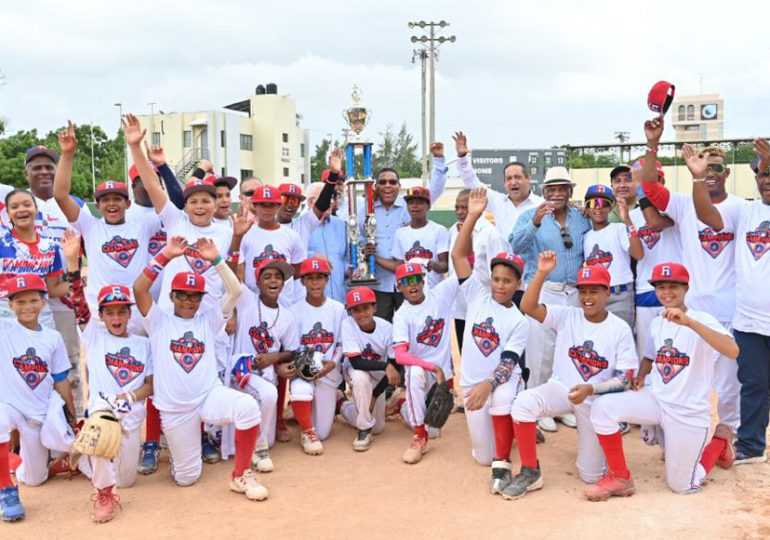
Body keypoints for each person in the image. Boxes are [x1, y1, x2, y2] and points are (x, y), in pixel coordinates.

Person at [586, 262, 739, 500]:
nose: (666, 292)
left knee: (682, 485)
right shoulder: (658, 322)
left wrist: (690, 322)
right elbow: (650, 356)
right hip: (656, 400)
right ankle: (619, 476)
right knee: (602, 407)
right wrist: (641, 376)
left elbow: (732, 350)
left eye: (672, 286)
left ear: (686, 288)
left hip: (688, 412)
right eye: (660, 287)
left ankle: (720, 438)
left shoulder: (702, 319)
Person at [133, 235, 268, 500]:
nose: (188, 300)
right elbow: (139, 289)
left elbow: (236, 291)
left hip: (208, 396)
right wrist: (166, 256)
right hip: (175, 409)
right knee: (187, 479)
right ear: (171, 296)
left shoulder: (208, 320)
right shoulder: (159, 321)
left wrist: (217, 259)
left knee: (248, 407)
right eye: (182, 295)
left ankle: (241, 474)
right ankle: (177, 451)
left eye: (194, 296)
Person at [639, 116, 742, 449]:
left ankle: (724, 437)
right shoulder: (684, 205)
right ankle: (675, 432)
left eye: (717, 168)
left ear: (727, 173)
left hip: (728, 310)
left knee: (729, 384)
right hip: (690, 309)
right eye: (705, 167)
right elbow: (651, 188)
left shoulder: (741, 208)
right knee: (681, 373)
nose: (711, 173)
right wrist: (654, 143)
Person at [503, 252, 637, 501]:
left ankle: (603, 452)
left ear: (607, 293)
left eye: (594, 291)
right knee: (523, 403)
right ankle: (531, 470)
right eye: (583, 291)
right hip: (560, 389)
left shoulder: (619, 328)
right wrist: (542, 272)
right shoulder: (568, 315)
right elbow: (528, 307)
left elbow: (626, 379)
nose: (587, 298)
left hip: (595, 403)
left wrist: (592, 389)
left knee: (591, 476)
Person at [683, 139, 770, 465]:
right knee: (753, 383)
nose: (766, 181)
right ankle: (750, 445)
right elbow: (707, 215)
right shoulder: (745, 210)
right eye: (762, 175)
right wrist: (696, 178)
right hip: (748, 318)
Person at [61, 231, 153, 523]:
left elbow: (151, 385)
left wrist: (130, 396)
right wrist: (73, 262)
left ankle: (84, 456)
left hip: (132, 413)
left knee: (126, 479)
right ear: (101, 315)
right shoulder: (95, 336)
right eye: (109, 312)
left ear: (129, 314)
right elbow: (77, 301)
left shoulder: (143, 344)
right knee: (100, 427)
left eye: (121, 312)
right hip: (103, 411)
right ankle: (103, 492)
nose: (115, 318)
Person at [451, 188, 529, 494]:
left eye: (507, 280)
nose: (500, 284)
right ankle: (505, 438)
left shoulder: (518, 320)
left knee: (502, 395)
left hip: (498, 382)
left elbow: (509, 362)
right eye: (497, 278)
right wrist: (472, 215)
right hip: (472, 385)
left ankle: (508, 447)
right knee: (481, 457)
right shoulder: (477, 296)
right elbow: (458, 255)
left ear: (517, 284)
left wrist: (489, 384)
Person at [124, 114, 233, 320]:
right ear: (186, 205)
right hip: (170, 315)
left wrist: (230, 311)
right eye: (193, 201)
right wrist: (135, 147)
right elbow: (151, 184)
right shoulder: (175, 221)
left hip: (209, 318)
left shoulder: (226, 231)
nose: (199, 206)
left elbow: (229, 278)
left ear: (215, 203)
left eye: (205, 201)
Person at [53, 121, 161, 319]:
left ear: (128, 204)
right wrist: (67, 155)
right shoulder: (90, 226)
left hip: (136, 309)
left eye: (117, 199)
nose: (111, 204)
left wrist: (135, 148)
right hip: (100, 309)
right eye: (105, 200)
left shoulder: (143, 225)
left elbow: (160, 194)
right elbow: (60, 195)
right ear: (98, 205)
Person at [511, 167, 592, 432]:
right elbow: (516, 247)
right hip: (545, 289)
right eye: (551, 189)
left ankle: (565, 406)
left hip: (575, 292)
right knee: (540, 354)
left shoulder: (581, 218)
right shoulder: (530, 215)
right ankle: (539, 407)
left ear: (570, 191)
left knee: (570, 351)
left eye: (562, 189)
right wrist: (535, 221)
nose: (556, 194)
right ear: (544, 192)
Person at [0, 145, 86, 391]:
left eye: (49, 167)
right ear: (26, 172)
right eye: (36, 167)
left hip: (55, 302)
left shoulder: (73, 203)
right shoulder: (16, 200)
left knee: (65, 366)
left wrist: (79, 283)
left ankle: (74, 419)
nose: (44, 172)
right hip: (11, 309)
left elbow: (86, 250)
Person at [0, 274, 76, 522]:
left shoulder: (51, 338)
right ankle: (7, 490)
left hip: (38, 413)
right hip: (9, 406)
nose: (27, 307)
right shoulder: (5, 329)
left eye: (33, 300)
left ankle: (21, 462)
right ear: (10, 305)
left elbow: (61, 379)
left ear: (43, 301)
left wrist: (72, 421)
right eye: (19, 302)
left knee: (34, 479)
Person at [363, 143, 447, 322]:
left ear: (399, 186)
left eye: (392, 182)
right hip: (379, 281)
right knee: (382, 330)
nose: (388, 186)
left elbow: (435, 190)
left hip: (411, 283)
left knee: (413, 328)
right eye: (382, 182)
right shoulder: (366, 208)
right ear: (375, 187)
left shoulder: (408, 206)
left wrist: (438, 160)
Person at [228, 258, 298, 472]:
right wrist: (237, 240)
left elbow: (292, 350)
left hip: (265, 372)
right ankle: (259, 448)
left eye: (278, 277)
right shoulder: (247, 300)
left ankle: (259, 441)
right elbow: (229, 277)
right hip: (239, 370)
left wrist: (273, 358)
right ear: (257, 282)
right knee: (268, 394)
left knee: (267, 395)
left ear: (284, 284)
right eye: (267, 276)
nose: (273, 281)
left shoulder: (287, 316)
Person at [392, 260, 456, 464]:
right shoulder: (402, 315)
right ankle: (420, 436)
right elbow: (400, 356)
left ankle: (403, 407)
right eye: (405, 281)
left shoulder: (440, 295)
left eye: (416, 279)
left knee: (436, 430)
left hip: (443, 378)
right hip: (425, 373)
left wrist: (470, 231)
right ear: (398, 287)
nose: (412, 285)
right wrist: (433, 367)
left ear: (423, 280)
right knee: (413, 372)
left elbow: (467, 268)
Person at [289, 257, 345, 454]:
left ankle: (337, 401)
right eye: (310, 278)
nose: (315, 283)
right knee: (300, 392)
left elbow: (341, 343)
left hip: (328, 373)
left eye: (320, 277)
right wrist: (300, 368)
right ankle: (305, 427)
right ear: (302, 281)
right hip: (303, 374)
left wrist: (332, 363)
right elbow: (291, 347)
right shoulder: (294, 311)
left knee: (323, 432)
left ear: (327, 280)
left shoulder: (338, 309)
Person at [447, 189, 509, 353]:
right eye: (457, 207)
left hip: (485, 308)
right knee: (465, 356)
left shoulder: (490, 234)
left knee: (486, 356)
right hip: (461, 309)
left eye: (464, 207)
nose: (459, 212)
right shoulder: (453, 230)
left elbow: (499, 274)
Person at [629, 165, 681, 360]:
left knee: (676, 347)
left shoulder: (676, 207)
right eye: (644, 180)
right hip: (645, 288)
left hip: (676, 288)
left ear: (663, 182)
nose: (650, 184)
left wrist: (642, 189)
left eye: (654, 179)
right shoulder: (633, 216)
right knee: (647, 350)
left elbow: (655, 222)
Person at [454, 131, 544, 239]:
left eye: (517, 177)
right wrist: (462, 157)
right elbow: (471, 182)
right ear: (504, 183)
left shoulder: (541, 205)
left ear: (528, 178)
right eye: (509, 178)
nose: (513, 182)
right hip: (502, 255)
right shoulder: (497, 202)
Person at [339, 286, 398, 451]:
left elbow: (394, 368)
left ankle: (342, 405)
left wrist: (375, 394)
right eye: (355, 309)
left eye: (365, 307)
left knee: (378, 428)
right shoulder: (348, 324)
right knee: (360, 378)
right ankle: (363, 429)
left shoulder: (387, 328)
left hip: (378, 375)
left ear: (375, 307)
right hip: (355, 371)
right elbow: (357, 363)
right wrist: (385, 365)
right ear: (350, 312)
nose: (361, 313)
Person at [0, 189, 69, 326]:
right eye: (14, 207)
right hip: (6, 315)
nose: (21, 209)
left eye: (27, 204)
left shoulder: (50, 246)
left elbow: (52, 289)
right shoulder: (2, 242)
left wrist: (81, 282)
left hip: (40, 316)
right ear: (8, 214)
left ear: (36, 210)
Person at [582, 184, 643, 328]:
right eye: (592, 203)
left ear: (611, 207)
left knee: (621, 342)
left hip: (619, 295)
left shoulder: (619, 229)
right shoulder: (585, 236)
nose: (597, 207)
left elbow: (638, 253)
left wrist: (627, 220)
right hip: (595, 296)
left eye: (604, 203)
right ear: (586, 208)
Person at [391, 186, 449, 288]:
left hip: (435, 289)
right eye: (411, 202)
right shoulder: (400, 233)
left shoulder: (439, 230)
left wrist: (434, 265)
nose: (415, 206)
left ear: (428, 206)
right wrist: (375, 258)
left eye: (420, 203)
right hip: (412, 288)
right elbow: (399, 266)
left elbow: (445, 266)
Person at [306, 180, 348, 303]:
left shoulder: (342, 225)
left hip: (341, 300)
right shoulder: (299, 226)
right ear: (310, 202)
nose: (330, 202)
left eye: (331, 197)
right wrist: (312, 256)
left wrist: (351, 270)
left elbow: (345, 259)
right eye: (324, 198)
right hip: (313, 303)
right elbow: (292, 258)